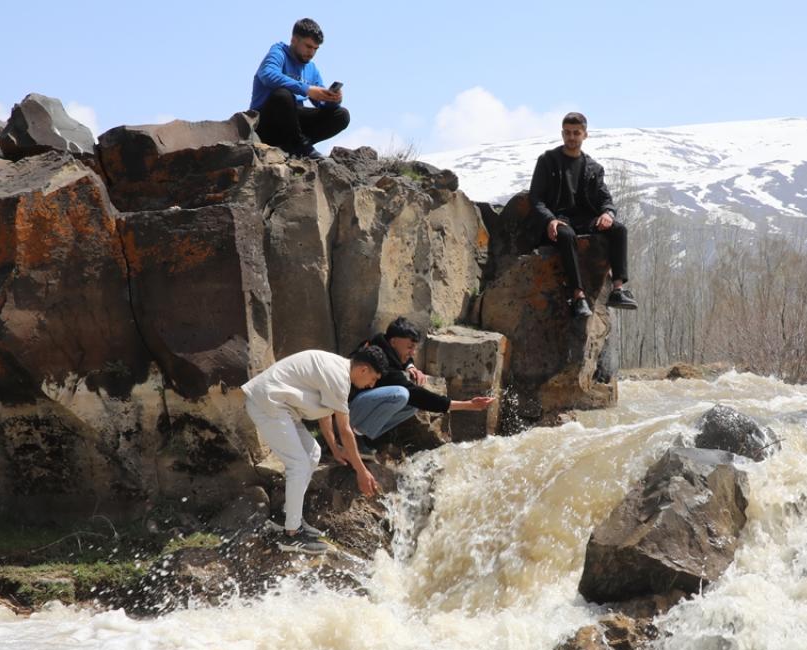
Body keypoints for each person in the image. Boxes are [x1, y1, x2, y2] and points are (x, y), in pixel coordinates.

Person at [242, 346, 389, 553]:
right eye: (373, 379)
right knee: (299, 464)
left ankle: (288, 516)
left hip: (281, 407)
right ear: (363, 369)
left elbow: (325, 414)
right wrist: (361, 471)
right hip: (267, 403)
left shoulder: (337, 370)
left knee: (313, 453)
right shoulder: (339, 377)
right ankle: (292, 535)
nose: (371, 385)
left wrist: (334, 448)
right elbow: (345, 430)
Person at [528, 112, 638, 318]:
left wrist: (608, 213)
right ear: (562, 134)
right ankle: (578, 297)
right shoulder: (548, 161)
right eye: (567, 132)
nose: (571, 137)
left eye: (576, 133)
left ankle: (617, 290)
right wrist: (550, 219)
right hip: (558, 219)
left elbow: (605, 199)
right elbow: (536, 197)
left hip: (586, 220)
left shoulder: (593, 168)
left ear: (585, 135)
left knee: (619, 229)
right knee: (566, 235)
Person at [349, 317, 496, 443]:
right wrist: (467, 405)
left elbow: (400, 358)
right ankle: (356, 437)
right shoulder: (383, 365)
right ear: (393, 342)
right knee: (401, 395)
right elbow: (417, 395)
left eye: (415, 348)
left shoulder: (381, 346)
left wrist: (410, 365)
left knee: (411, 406)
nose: (413, 352)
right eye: (410, 347)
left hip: (359, 407)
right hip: (347, 409)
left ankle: (367, 436)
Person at [250, 18, 348, 159]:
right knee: (283, 95)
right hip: (266, 123)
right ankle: (301, 147)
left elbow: (321, 102)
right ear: (294, 40)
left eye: (315, 49)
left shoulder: (311, 68)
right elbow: (267, 74)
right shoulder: (279, 52)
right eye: (308, 46)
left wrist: (332, 99)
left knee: (341, 115)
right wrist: (306, 89)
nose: (312, 53)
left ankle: (295, 146)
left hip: (293, 126)